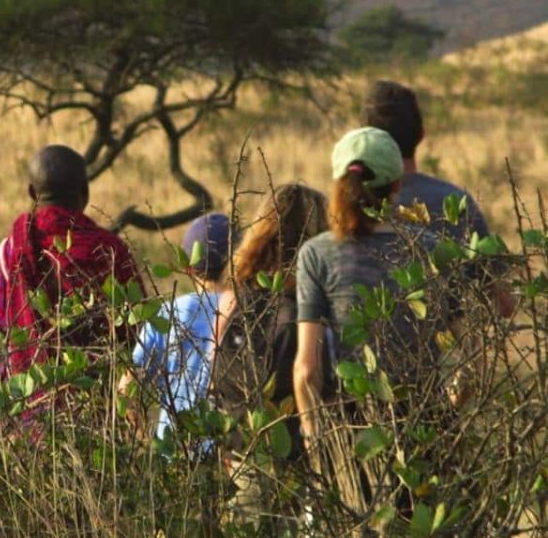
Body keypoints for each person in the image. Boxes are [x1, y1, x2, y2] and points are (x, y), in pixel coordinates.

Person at [292, 127, 448, 445]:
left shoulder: (317, 254)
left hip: (351, 430)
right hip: (425, 422)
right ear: (397, 184)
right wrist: (445, 418)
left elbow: (307, 370)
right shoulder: (430, 248)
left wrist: (314, 435)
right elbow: (472, 358)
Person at [362, 78, 516, 317]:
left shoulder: (346, 210)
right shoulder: (456, 201)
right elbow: (504, 302)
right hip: (447, 349)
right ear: (421, 135)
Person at [0, 144, 143, 379]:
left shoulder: (8, 252)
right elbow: (138, 326)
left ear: (32, 193)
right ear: (85, 192)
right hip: (98, 395)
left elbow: (5, 327)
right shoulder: (111, 251)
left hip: (26, 394)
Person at [211, 184, 330, 458]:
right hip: (299, 453)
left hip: (242, 448)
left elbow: (213, 374)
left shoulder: (237, 299)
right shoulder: (311, 306)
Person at [132, 212, 233, 440]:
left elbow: (127, 388)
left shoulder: (169, 313)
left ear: (187, 267)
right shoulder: (245, 312)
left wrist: (144, 441)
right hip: (230, 450)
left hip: (175, 447)